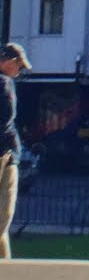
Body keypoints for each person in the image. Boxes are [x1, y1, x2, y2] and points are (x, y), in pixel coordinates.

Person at [1, 41, 29, 261]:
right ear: (9, 62)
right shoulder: (4, 83)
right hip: (5, 153)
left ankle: (7, 271)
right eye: (19, 66)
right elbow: (6, 119)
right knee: (4, 215)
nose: (19, 71)